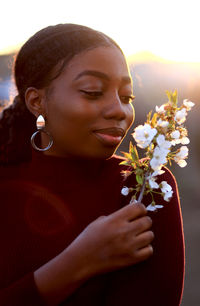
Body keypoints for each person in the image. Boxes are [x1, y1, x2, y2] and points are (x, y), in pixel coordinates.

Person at [0, 24, 184, 306]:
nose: (119, 111)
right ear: (37, 102)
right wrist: (77, 263)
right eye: (92, 92)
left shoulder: (144, 185)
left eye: (126, 97)